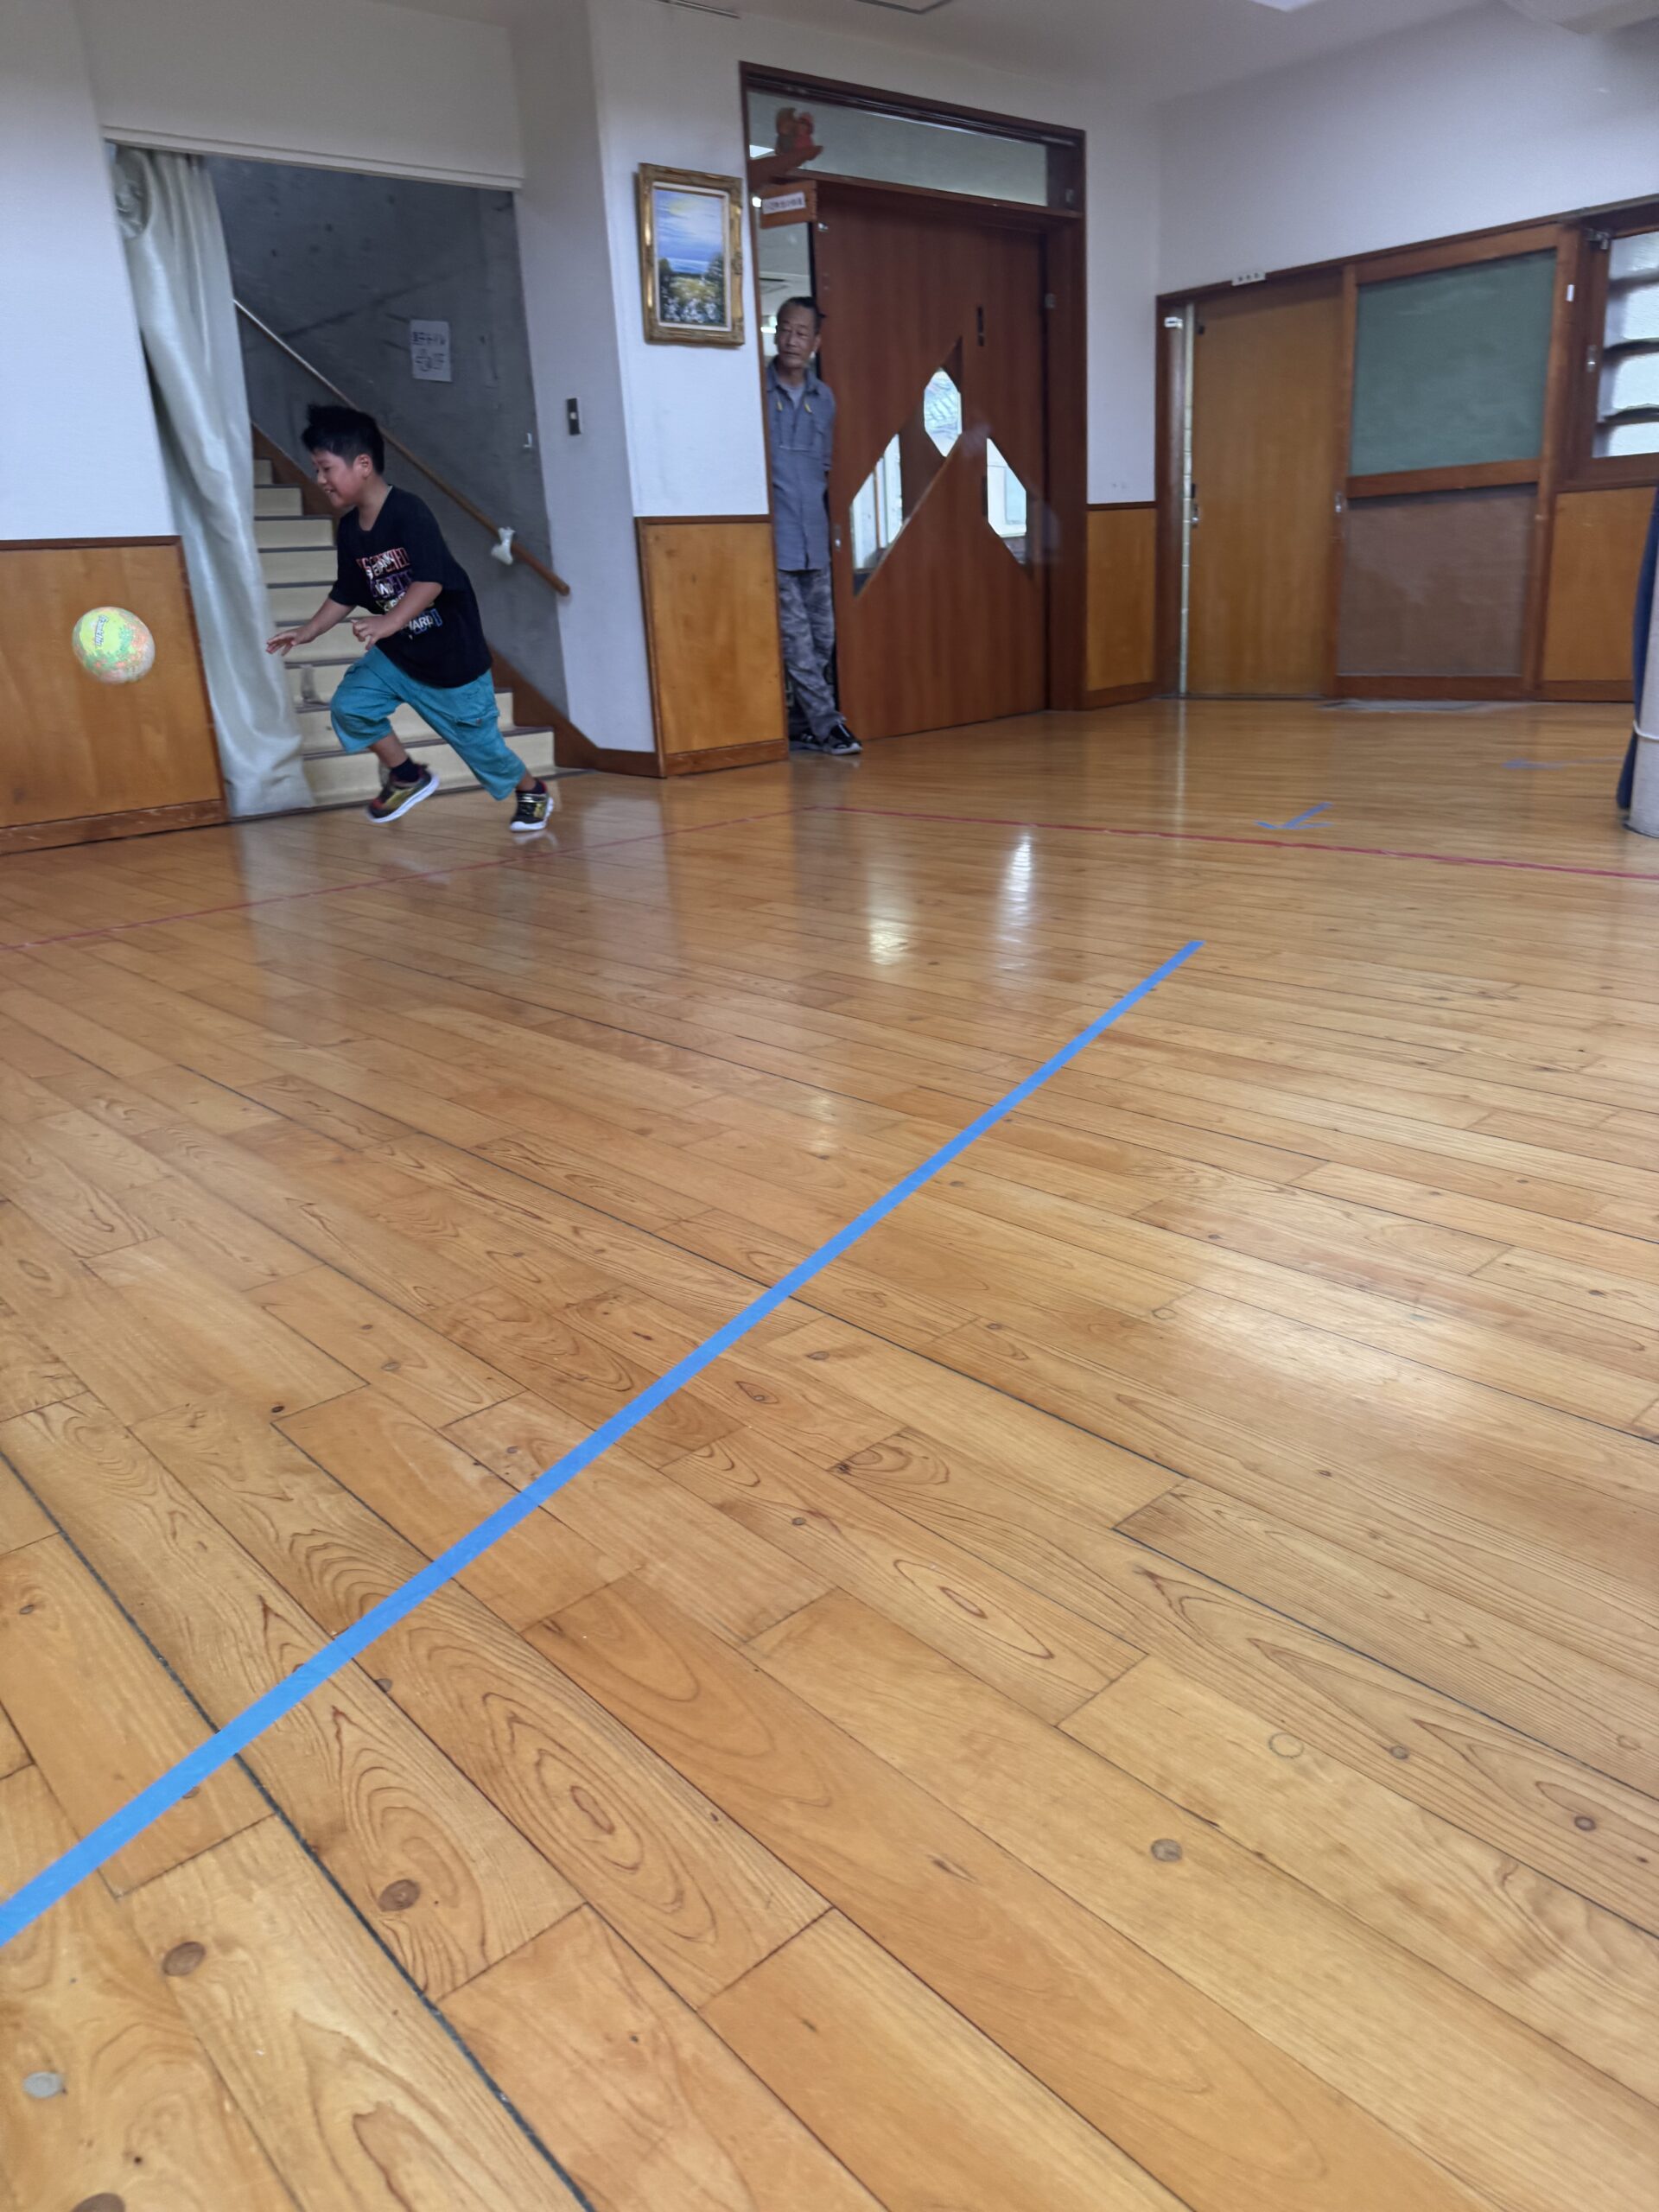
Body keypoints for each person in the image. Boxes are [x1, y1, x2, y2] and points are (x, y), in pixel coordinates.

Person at [267, 404, 552, 833]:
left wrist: (388, 623)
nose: (320, 479)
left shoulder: (409, 512)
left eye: (326, 468)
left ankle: (532, 791)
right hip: (399, 657)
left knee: (482, 749)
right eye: (316, 470)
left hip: (453, 663)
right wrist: (309, 631)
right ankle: (406, 775)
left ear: (363, 465)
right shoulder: (350, 530)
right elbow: (347, 590)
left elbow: (431, 580)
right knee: (351, 707)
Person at [768, 296, 859, 757]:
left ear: (815, 343)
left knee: (822, 639)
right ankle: (829, 727)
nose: (791, 340)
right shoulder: (754, 393)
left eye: (801, 333)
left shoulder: (824, 400)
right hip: (775, 542)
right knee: (797, 644)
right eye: (785, 329)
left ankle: (800, 725)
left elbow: (823, 467)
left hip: (815, 541)